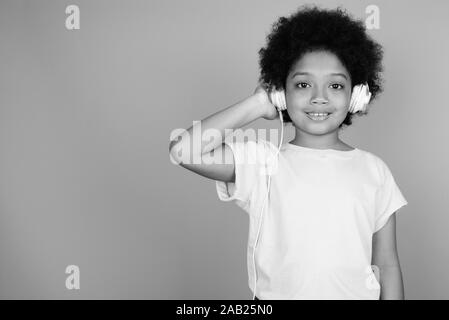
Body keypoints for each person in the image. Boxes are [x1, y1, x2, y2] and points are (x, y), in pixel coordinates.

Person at [169, 5, 408, 300]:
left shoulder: (375, 171)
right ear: (281, 93)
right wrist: (257, 103)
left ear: (356, 95)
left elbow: (386, 263)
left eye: (335, 85)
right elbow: (184, 150)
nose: (319, 97)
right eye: (303, 84)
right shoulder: (263, 163)